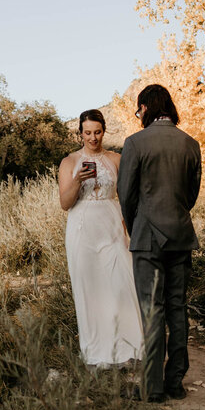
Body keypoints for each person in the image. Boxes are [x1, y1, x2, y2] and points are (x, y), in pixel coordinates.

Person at [118, 84, 202, 403]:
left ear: (145, 107)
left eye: (138, 110)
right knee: (177, 310)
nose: (138, 115)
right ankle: (175, 382)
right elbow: (191, 195)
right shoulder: (190, 144)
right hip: (180, 234)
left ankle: (152, 389)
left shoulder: (136, 143)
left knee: (152, 311)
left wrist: (136, 223)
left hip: (147, 238)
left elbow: (125, 194)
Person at [59, 109, 143, 368]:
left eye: (97, 132)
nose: (93, 138)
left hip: (111, 224)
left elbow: (129, 195)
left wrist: (129, 228)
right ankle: (98, 353)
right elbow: (65, 203)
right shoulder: (69, 162)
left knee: (121, 285)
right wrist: (77, 180)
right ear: (80, 133)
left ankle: (129, 350)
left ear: (104, 131)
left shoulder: (117, 159)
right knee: (90, 289)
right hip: (82, 227)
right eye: (87, 133)